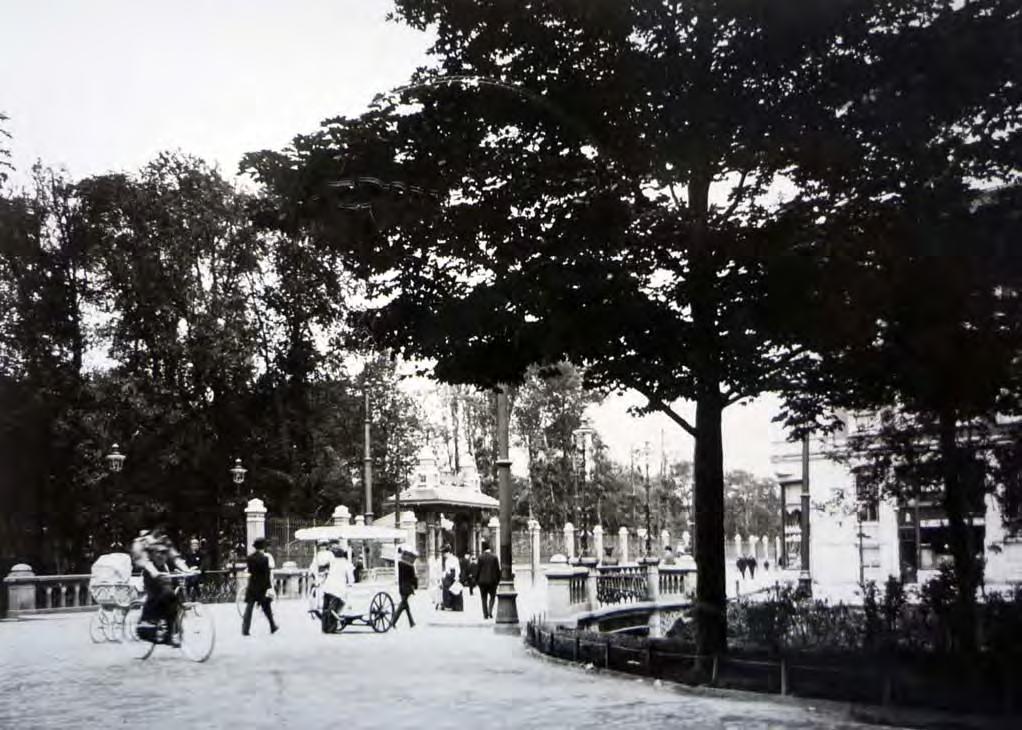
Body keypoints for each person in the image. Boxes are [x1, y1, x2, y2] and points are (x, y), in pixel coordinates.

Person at [136, 538, 194, 645]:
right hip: (150, 573)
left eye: (164, 552)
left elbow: (176, 558)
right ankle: (147, 623)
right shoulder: (146, 540)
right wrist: (153, 571)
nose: (162, 554)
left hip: (162, 571)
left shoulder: (165, 540)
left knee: (171, 599)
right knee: (156, 597)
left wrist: (186, 570)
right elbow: (144, 560)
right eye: (159, 552)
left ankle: (170, 633)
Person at [242, 537, 279, 636]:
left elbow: (250, 571)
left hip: (252, 586)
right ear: (263, 548)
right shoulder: (265, 559)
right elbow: (266, 575)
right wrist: (268, 587)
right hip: (261, 587)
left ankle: (245, 629)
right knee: (267, 608)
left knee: (248, 608)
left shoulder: (250, 558)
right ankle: (272, 626)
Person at [320, 545, 355, 633]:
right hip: (338, 589)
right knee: (333, 610)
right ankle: (331, 627)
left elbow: (322, 565)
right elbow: (351, 578)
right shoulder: (346, 563)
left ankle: (325, 627)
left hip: (328, 587)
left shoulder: (332, 561)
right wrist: (350, 584)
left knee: (325, 608)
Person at [392, 545, 418, 629]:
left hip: (402, 587)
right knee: (403, 605)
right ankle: (392, 621)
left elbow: (400, 577)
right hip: (408, 588)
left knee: (405, 605)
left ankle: (411, 622)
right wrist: (416, 586)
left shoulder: (400, 564)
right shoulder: (411, 566)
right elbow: (413, 578)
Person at [307, 538, 333, 619]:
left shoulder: (330, 554)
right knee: (318, 591)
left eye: (324, 545)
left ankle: (327, 607)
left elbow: (333, 564)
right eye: (321, 545)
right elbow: (314, 565)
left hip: (327, 575)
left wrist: (328, 571)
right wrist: (312, 573)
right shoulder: (317, 555)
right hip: (319, 575)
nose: (323, 547)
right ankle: (318, 607)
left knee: (327, 591)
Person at [474, 541, 500, 620]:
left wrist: (476, 580)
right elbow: (497, 570)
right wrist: (498, 580)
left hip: (482, 581)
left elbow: (477, 570)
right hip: (492, 581)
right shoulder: (494, 557)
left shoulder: (480, 557)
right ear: (490, 548)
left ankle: (485, 614)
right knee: (492, 597)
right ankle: (490, 611)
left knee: (483, 598)